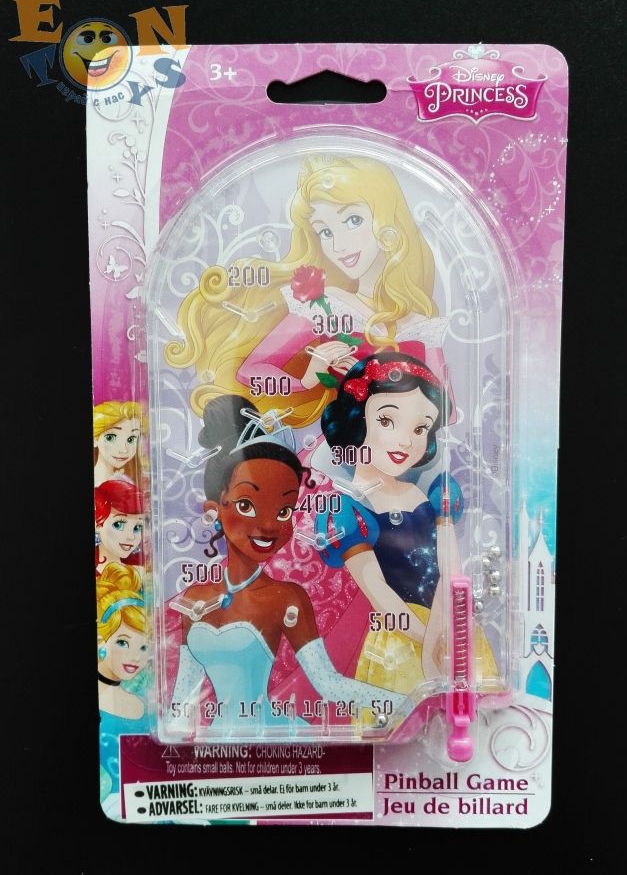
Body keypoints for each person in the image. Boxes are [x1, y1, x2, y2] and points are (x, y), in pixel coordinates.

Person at [168, 394, 408, 733]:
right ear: (214, 510)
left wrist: (408, 705)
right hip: (218, 740)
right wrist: (176, 743)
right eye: (247, 506)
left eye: (283, 511)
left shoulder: (286, 599)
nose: (269, 526)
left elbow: (329, 684)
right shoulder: (194, 599)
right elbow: (183, 699)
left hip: (275, 734)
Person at [165, 155, 449, 426]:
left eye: (353, 220)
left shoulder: (422, 324)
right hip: (340, 447)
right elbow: (251, 370)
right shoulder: (325, 307)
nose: (338, 245)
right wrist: (308, 378)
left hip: (407, 452)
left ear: (387, 219)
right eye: (325, 232)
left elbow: (445, 412)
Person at [314, 352, 496, 694]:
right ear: (356, 419)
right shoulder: (347, 511)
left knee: (470, 707)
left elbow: (451, 567)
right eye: (387, 421)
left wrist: (443, 634)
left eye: (420, 428)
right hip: (400, 638)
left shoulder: (433, 493)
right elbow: (378, 590)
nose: (406, 441)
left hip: (449, 626)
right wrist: (427, 641)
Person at [97, 562, 150, 795]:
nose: (135, 657)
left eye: (144, 647)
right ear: (101, 639)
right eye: (122, 642)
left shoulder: (144, 703)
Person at [94, 479, 145, 575]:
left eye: (137, 527)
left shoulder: (139, 569)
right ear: (98, 523)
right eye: (118, 525)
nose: (131, 536)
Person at [93, 400, 144, 486]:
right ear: (95, 440)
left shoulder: (125, 480)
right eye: (110, 438)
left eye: (131, 439)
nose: (124, 450)